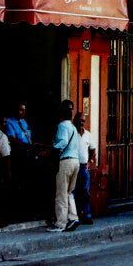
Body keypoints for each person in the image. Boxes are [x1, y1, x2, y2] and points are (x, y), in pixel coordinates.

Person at [48, 100, 80, 233]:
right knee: (69, 193)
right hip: (76, 162)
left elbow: (62, 142)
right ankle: (73, 218)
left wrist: (51, 149)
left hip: (65, 162)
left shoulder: (62, 126)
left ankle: (60, 224)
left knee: (61, 194)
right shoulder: (73, 127)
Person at [73, 112, 95, 224]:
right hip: (73, 166)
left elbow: (93, 149)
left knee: (85, 192)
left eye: (83, 121)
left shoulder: (88, 135)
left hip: (83, 167)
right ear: (75, 121)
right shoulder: (72, 133)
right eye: (79, 120)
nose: (81, 123)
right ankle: (73, 216)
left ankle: (87, 214)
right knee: (72, 191)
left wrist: (90, 161)